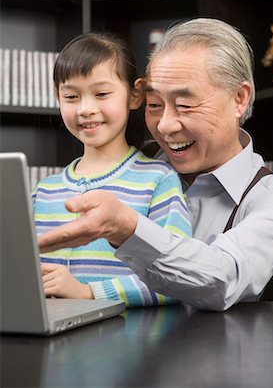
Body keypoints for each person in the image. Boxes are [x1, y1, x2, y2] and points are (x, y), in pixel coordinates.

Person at [38, 18, 273, 311]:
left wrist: (127, 229)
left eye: (185, 105)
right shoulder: (131, 164)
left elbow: (221, 280)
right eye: (154, 105)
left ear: (239, 98)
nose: (164, 126)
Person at [33, 32, 192, 307]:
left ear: (135, 94)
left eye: (101, 94)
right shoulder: (44, 192)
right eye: (71, 96)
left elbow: (178, 279)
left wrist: (89, 293)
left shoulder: (158, 181)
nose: (85, 109)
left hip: (128, 340)